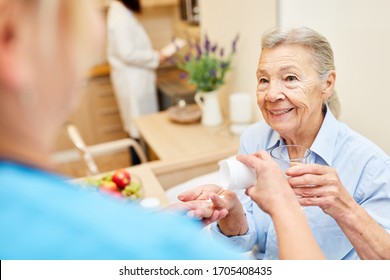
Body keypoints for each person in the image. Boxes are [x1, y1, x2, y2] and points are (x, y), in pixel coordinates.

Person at [0, 0, 242, 260]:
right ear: (12, 37)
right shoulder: (170, 252)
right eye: (88, 9)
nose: (95, 33)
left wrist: (148, 223)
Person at [177, 26, 390, 260]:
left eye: (290, 78)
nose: (271, 95)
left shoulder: (371, 165)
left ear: (327, 84)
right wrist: (232, 212)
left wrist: (345, 208)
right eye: (264, 80)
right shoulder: (254, 139)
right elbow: (249, 240)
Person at [107, 0, 165, 164]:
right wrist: (154, 56)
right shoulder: (119, 18)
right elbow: (128, 53)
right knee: (137, 130)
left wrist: (153, 54)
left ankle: (142, 163)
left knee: (139, 128)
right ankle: (138, 165)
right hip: (133, 83)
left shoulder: (124, 14)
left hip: (135, 80)